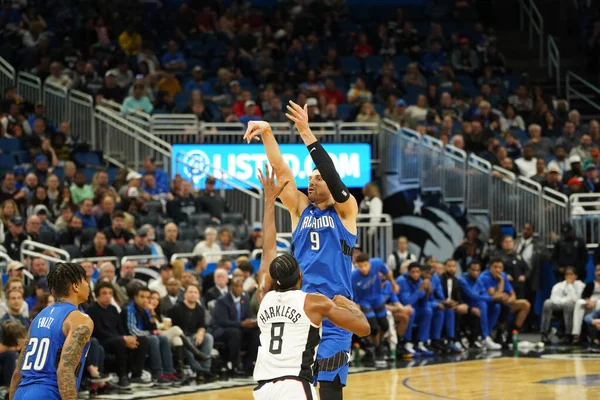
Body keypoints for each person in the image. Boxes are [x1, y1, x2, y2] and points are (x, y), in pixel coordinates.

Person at [244, 101, 361, 398]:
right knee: (298, 384)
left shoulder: (346, 212)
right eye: (309, 177)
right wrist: (268, 133)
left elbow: (332, 174)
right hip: (302, 308)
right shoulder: (300, 209)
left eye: (316, 178)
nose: (311, 181)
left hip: (334, 309)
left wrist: (306, 133)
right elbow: (281, 172)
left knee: (331, 387)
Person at [253, 165, 369, 400]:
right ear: (301, 276)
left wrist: (268, 202)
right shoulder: (313, 303)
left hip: (263, 389)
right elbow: (363, 328)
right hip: (295, 385)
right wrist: (350, 306)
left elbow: (267, 250)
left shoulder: (264, 296)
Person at [10, 263, 93, 400]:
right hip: (48, 393)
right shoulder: (80, 319)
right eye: (85, 280)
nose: (88, 285)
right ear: (76, 286)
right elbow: (65, 370)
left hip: (21, 392)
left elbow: (18, 371)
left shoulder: (39, 316)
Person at [352, 254, 399, 362]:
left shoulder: (377, 263)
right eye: (360, 266)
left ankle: (378, 343)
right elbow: (353, 295)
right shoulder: (353, 277)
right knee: (373, 327)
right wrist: (357, 307)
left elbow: (387, 272)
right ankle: (377, 348)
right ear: (356, 266)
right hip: (365, 302)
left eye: (365, 265)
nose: (363, 269)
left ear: (369, 263)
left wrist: (393, 284)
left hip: (378, 298)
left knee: (385, 325)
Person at [540, 267, 585, 344]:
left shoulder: (580, 285)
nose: (569, 277)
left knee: (569, 305)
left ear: (576, 276)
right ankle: (544, 333)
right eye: (567, 274)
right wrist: (564, 301)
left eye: (571, 274)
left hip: (573, 308)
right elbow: (553, 298)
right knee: (547, 303)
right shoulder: (558, 286)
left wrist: (570, 286)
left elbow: (577, 299)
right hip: (559, 306)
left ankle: (568, 334)